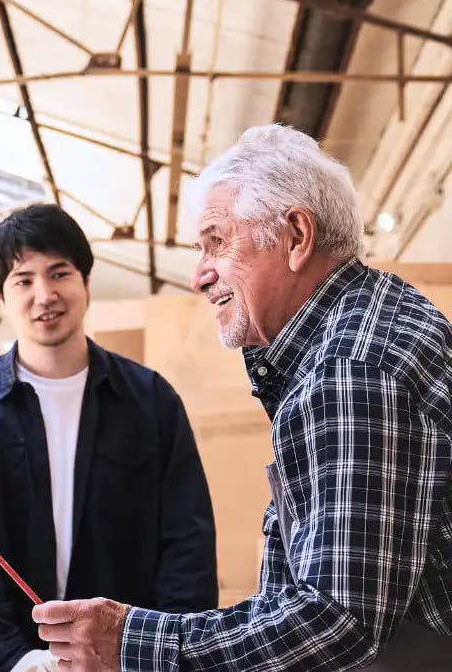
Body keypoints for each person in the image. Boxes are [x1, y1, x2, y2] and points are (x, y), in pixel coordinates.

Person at [30, 124, 452, 671]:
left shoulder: (347, 370)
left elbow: (337, 616)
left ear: (297, 236)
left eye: (216, 241)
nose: (199, 276)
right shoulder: (366, 321)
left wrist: (129, 641)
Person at [0, 204, 218, 671]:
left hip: (125, 661)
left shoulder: (152, 402)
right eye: (23, 280)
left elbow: (188, 542)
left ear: (84, 281)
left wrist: (163, 656)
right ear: (1, 298)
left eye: (59, 273)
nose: (45, 295)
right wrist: (15, 659)